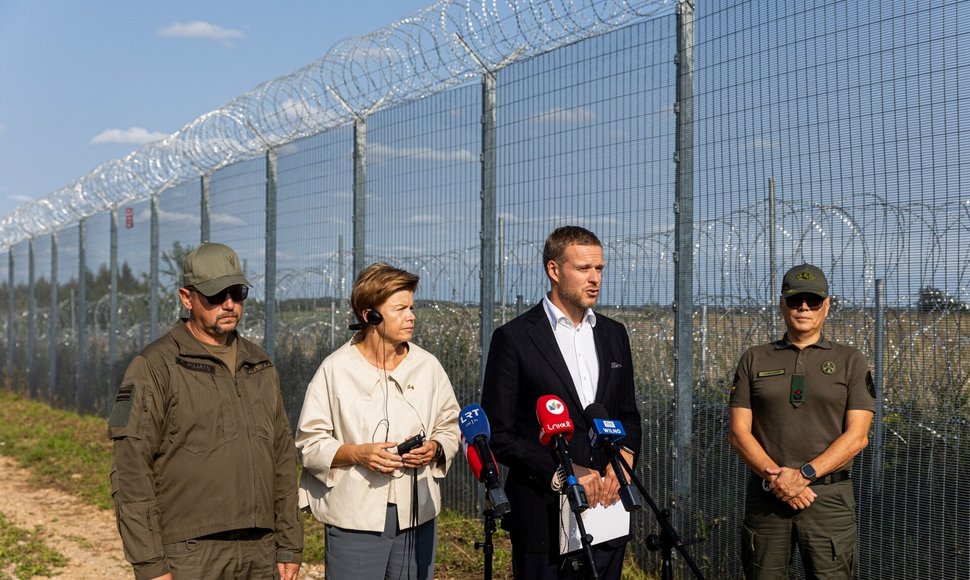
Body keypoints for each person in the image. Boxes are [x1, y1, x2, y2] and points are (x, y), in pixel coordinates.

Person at [107, 242, 303, 580]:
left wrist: (288, 541)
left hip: (260, 549)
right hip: (191, 553)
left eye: (237, 292)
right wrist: (150, 563)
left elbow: (282, 457)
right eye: (215, 295)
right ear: (187, 297)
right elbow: (131, 470)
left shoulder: (258, 364)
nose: (229, 304)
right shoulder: (156, 366)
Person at [480, 225, 642, 579]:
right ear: (554, 270)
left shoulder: (614, 335)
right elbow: (499, 434)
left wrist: (625, 457)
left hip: (607, 509)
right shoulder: (514, 338)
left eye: (599, 268)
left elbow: (628, 414)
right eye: (583, 269)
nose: (595, 278)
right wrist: (562, 474)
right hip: (543, 515)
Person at [296, 262, 460, 580]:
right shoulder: (336, 370)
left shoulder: (428, 366)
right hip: (355, 519)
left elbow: (449, 424)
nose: (411, 316)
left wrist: (436, 448)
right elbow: (310, 443)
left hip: (417, 515)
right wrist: (358, 454)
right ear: (368, 314)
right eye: (400, 309)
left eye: (412, 307)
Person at [728, 263, 875, 579]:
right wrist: (781, 481)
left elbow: (858, 436)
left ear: (827, 305)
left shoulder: (851, 361)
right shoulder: (755, 359)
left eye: (813, 300)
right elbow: (739, 433)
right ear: (782, 304)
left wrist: (805, 474)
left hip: (828, 501)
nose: (804, 308)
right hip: (768, 498)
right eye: (795, 300)